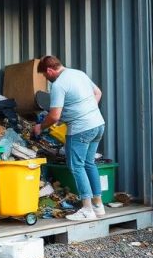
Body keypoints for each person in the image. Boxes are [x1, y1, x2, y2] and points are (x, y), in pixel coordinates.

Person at [31, 55, 106, 221]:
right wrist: (87, 110)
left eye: (45, 75)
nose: (46, 79)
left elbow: (54, 116)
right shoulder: (78, 73)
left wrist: (40, 127)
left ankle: (87, 209)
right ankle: (98, 206)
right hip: (98, 124)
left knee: (76, 166)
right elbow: (97, 92)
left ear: (50, 70)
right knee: (89, 163)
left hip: (80, 129)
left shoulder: (59, 85)